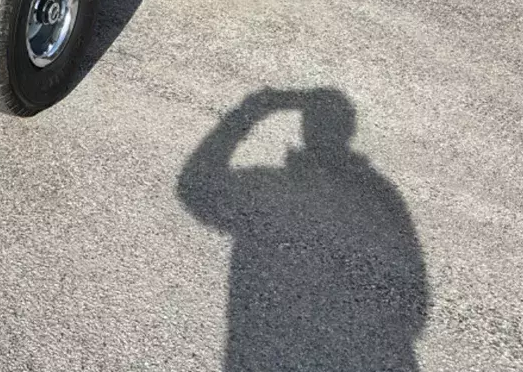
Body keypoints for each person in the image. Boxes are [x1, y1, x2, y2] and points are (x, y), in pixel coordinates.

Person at [177, 87, 429, 372]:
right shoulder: (380, 196)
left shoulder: (274, 189)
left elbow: (196, 186)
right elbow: (413, 299)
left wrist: (248, 113)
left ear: (306, 130)